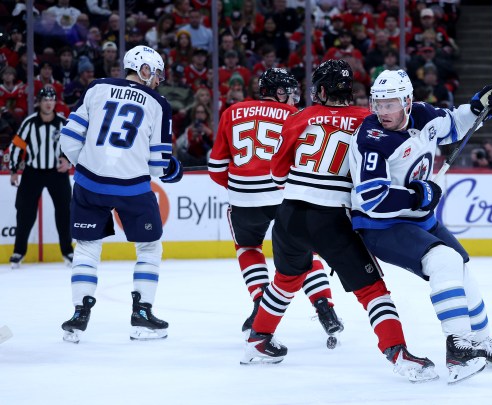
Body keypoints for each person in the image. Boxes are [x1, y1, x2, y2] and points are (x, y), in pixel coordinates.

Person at [241, 60, 438, 384]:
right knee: (372, 289)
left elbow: (277, 173)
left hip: (289, 214)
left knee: (286, 280)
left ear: (320, 90)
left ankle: (257, 340)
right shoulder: (369, 120)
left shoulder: (300, 117)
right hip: (332, 218)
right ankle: (398, 354)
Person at [349, 69, 492, 384]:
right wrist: (419, 194)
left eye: (391, 104)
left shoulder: (424, 115)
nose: (383, 111)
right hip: (381, 226)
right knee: (445, 260)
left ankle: (479, 342)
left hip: (419, 218)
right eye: (378, 104)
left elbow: (454, 124)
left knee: (461, 266)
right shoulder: (371, 138)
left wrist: (480, 105)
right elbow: (372, 199)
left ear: (408, 101)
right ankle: (458, 349)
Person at [208, 68, 343, 343]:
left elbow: (215, 167)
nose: (293, 97)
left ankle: (260, 301)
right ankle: (324, 307)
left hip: (243, 197)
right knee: (302, 251)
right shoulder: (297, 115)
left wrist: (238, 186)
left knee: (248, 247)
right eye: (289, 92)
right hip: (284, 194)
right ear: (278, 92)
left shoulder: (232, 112)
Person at [58, 45, 183, 343]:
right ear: (144, 69)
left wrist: (89, 166)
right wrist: (171, 169)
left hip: (89, 185)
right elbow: (156, 165)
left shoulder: (97, 87)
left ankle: (79, 316)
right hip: (133, 189)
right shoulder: (158, 103)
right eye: (155, 73)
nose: (156, 80)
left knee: (87, 247)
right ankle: (141, 315)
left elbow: (70, 138)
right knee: (150, 248)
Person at [7, 87, 73, 268]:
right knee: (25, 214)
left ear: (55, 102)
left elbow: (74, 145)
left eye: (52, 99)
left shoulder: (63, 123)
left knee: (64, 213)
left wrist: (68, 162)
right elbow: (16, 146)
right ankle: (18, 252)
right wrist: (13, 171)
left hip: (57, 173)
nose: (49, 103)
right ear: (39, 102)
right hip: (32, 172)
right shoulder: (30, 122)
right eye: (45, 99)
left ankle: (67, 251)